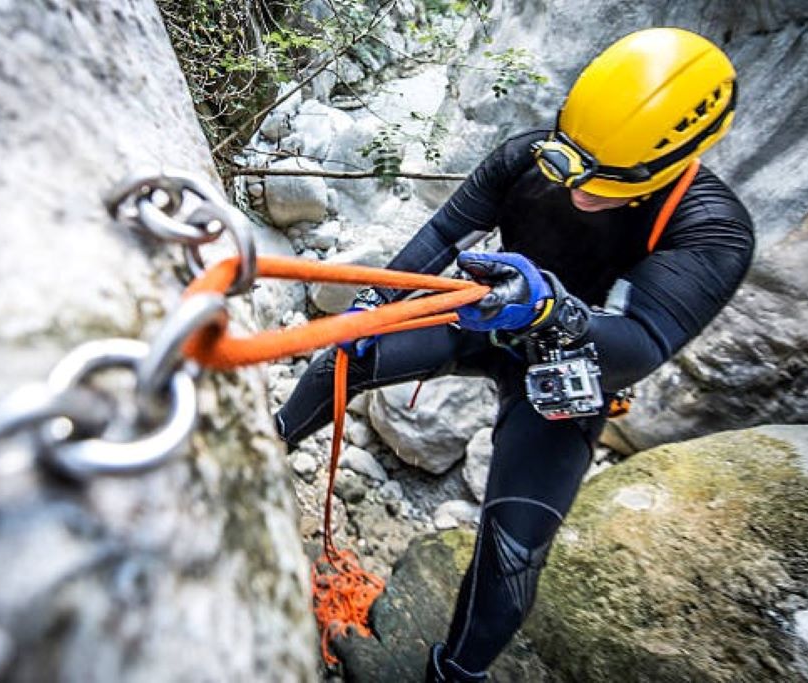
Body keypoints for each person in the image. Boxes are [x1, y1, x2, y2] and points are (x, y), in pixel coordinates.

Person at [274, 27, 755, 681]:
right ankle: (266, 444)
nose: (576, 185)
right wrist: (373, 305)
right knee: (345, 359)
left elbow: (643, 342)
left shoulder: (711, 227)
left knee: (512, 550)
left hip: (569, 369)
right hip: (486, 312)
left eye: (601, 178)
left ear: (666, 166)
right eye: (571, 159)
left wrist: (552, 308)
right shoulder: (530, 156)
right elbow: (445, 230)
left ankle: (455, 674)